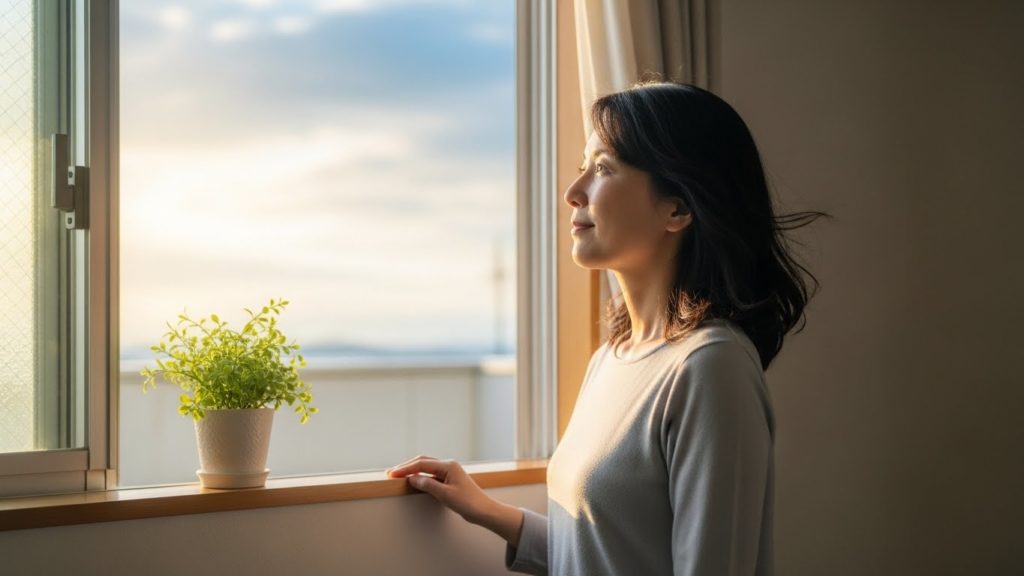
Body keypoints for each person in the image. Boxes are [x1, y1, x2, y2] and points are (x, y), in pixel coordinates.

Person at [386, 82, 828, 576]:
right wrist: (489, 511)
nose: (573, 193)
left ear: (678, 209)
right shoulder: (611, 359)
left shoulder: (711, 367)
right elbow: (609, 553)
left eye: (602, 169)